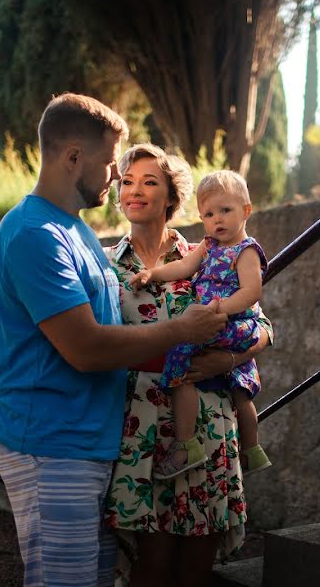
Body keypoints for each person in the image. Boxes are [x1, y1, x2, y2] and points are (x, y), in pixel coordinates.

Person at [0, 95, 226, 587]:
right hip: (52, 445)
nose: (116, 176)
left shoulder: (74, 231)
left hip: (93, 447)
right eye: (111, 161)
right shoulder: (35, 234)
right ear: (74, 157)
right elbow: (87, 348)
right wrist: (182, 332)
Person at [103, 144, 273, 587]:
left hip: (209, 427)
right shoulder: (104, 267)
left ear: (172, 197)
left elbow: (264, 326)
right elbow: (97, 343)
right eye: (127, 181)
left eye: (149, 181)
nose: (135, 190)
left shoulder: (211, 250)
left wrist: (232, 357)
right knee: (151, 564)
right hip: (140, 430)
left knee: (198, 566)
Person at [129, 170, 271, 480]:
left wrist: (216, 309)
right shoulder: (208, 246)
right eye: (208, 214)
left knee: (179, 363)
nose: (217, 219)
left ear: (246, 211)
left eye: (225, 210)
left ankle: (186, 444)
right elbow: (184, 265)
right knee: (240, 389)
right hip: (219, 324)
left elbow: (252, 292)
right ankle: (252, 451)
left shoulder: (245, 251)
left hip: (226, 323)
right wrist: (152, 273)